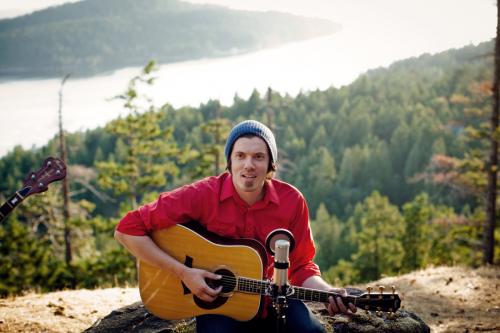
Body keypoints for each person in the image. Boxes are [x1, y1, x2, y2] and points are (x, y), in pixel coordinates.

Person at [115, 119, 356, 333]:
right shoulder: (202, 195)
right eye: (240, 156)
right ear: (229, 161)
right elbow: (127, 229)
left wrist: (328, 292)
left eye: (258, 157)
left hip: (274, 298)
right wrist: (184, 273)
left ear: (270, 164)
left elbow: (302, 266)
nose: (248, 165)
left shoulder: (292, 202)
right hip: (218, 305)